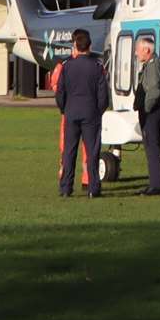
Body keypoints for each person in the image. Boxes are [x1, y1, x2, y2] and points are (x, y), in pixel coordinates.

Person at [54, 29, 109, 198]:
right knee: (92, 152)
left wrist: (64, 108)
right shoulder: (97, 67)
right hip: (90, 113)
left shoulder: (67, 66)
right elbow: (103, 95)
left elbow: (60, 92)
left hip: (71, 112)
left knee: (69, 152)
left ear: (75, 46)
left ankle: (65, 188)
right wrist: (98, 111)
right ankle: (93, 188)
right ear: (90, 46)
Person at [133, 34, 160, 195]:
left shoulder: (153, 66)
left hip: (152, 112)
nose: (136, 53)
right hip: (152, 110)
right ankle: (154, 183)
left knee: (152, 147)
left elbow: (154, 91)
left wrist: (146, 109)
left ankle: (156, 185)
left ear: (147, 50)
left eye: (138, 50)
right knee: (150, 147)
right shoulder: (151, 64)